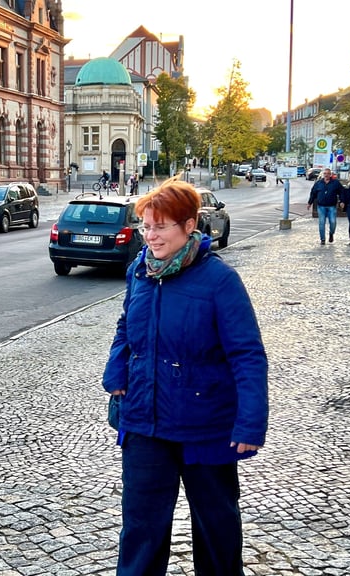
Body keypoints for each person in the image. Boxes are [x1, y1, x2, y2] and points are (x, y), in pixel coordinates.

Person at [102, 181, 269, 576]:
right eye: (146, 226)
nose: (151, 236)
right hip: (145, 421)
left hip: (205, 426)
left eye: (160, 227)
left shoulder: (219, 281)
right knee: (141, 530)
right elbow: (127, 325)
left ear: (189, 224)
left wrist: (250, 422)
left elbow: (247, 354)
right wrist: (116, 369)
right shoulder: (140, 272)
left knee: (217, 528)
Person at [307, 168, 345, 245]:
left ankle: (331, 233)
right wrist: (309, 203)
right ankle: (323, 239)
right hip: (321, 206)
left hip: (331, 206)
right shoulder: (318, 183)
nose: (326, 175)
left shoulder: (335, 183)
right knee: (321, 222)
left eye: (328, 173)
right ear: (323, 174)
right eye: (325, 173)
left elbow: (342, 192)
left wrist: (342, 201)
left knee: (333, 222)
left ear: (330, 174)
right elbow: (313, 193)